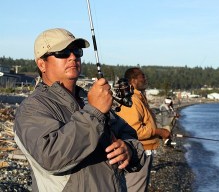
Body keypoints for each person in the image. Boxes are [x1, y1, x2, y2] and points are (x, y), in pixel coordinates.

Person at [13, 28, 146, 192]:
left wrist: (128, 150)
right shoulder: (32, 108)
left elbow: (130, 135)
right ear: (42, 64)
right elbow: (50, 156)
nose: (73, 57)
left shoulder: (88, 100)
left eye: (76, 51)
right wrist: (94, 112)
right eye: (62, 53)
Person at [116, 67, 170, 192]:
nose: (145, 79)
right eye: (142, 76)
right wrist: (159, 131)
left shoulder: (139, 97)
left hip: (144, 150)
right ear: (133, 81)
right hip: (138, 152)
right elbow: (135, 130)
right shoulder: (133, 100)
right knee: (135, 188)